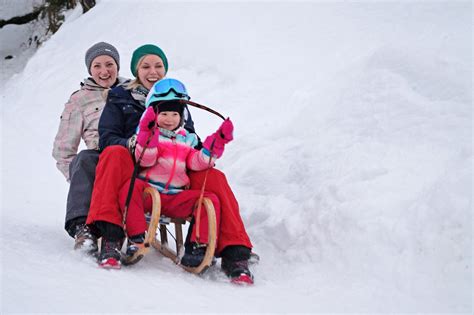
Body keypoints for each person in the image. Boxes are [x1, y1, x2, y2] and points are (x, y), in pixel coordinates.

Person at [86, 44, 254, 283]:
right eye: (145, 66)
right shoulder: (120, 97)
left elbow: (190, 142)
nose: (152, 71)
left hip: (173, 169)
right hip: (134, 164)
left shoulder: (176, 99)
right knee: (114, 153)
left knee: (213, 176)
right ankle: (111, 235)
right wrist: (137, 142)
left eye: (158, 66)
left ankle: (234, 251)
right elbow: (107, 136)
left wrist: (211, 148)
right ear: (136, 70)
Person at [117, 79, 233, 271]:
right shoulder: (148, 134)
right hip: (149, 194)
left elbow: (196, 163)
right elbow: (144, 160)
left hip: (175, 197)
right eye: (163, 114)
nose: (169, 119)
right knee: (129, 188)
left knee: (209, 199)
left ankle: (196, 247)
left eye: (174, 114)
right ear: (154, 114)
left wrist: (215, 145)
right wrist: (148, 135)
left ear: (182, 116)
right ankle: (136, 237)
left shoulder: (188, 138)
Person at [52, 42, 125, 253]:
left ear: (117, 66)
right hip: (98, 157)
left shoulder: (131, 91)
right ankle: (82, 227)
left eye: (109, 64)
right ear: (90, 70)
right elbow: (63, 149)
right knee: (84, 159)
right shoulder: (80, 99)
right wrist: (77, 178)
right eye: (97, 66)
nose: (104, 71)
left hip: (128, 153)